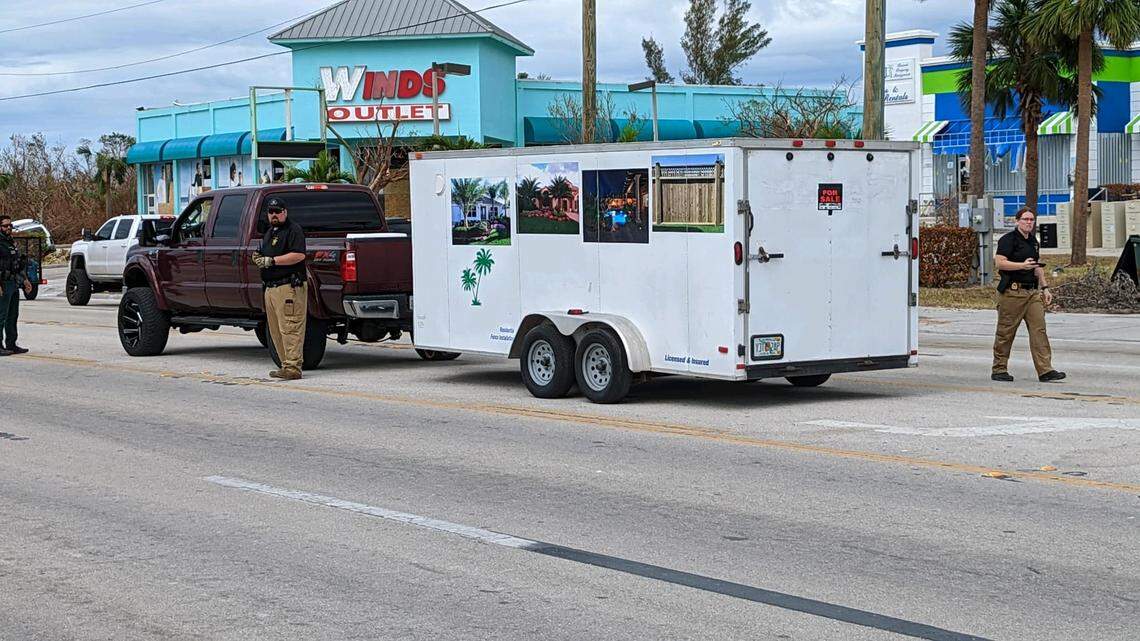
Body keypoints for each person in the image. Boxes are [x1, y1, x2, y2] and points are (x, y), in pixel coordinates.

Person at [991, 206, 1065, 383]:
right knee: (1006, 332)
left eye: (1031, 220)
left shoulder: (1033, 241)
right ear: (1017, 221)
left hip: (1032, 293)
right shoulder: (1008, 240)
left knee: (1039, 330)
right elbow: (1000, 263)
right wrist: (1021, 266)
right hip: (1012, 293)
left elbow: (1037, 268)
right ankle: (999, 369)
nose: (1029, 222)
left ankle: (1045, 370)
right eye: (1025, 219)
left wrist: (1045, 288)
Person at [251, 197, 308, 380]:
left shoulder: (294, 230)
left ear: (285, 212)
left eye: (277, 211)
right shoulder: (270, 232)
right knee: (276, 330)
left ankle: (293, 367)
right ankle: (285, 365)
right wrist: (258, 256)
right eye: (271, 212)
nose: (274, 215)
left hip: (288, 287)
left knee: (290, 327)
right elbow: (264, 252)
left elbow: (298, 255)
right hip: (271, 288)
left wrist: (273, 261)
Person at [0, 215, 33, 356]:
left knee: (13, 315)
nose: (8, 228)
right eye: (5, 226)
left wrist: (25, 280)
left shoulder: (10, 242)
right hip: (3, 283)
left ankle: (11, 344)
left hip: (13, 282)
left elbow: (16, 264)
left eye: (10, 225)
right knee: (1, 315)